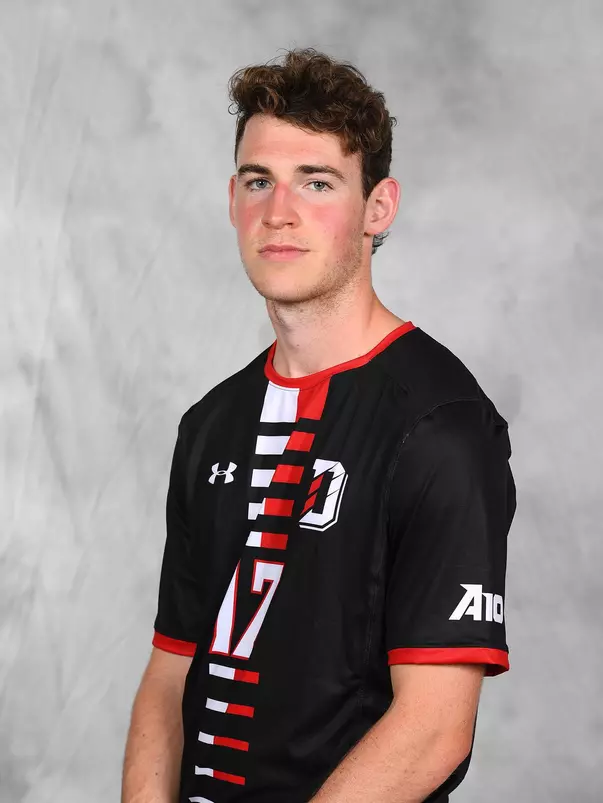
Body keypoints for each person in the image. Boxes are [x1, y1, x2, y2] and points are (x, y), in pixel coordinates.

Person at [121, 47, 517, 803]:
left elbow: (434, 726)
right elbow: (168, 675)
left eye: (317, 182)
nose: (279, 211)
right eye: (257, 180)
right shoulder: (210, 424)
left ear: (378, 208)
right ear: (232, 200)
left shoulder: (442, 427)